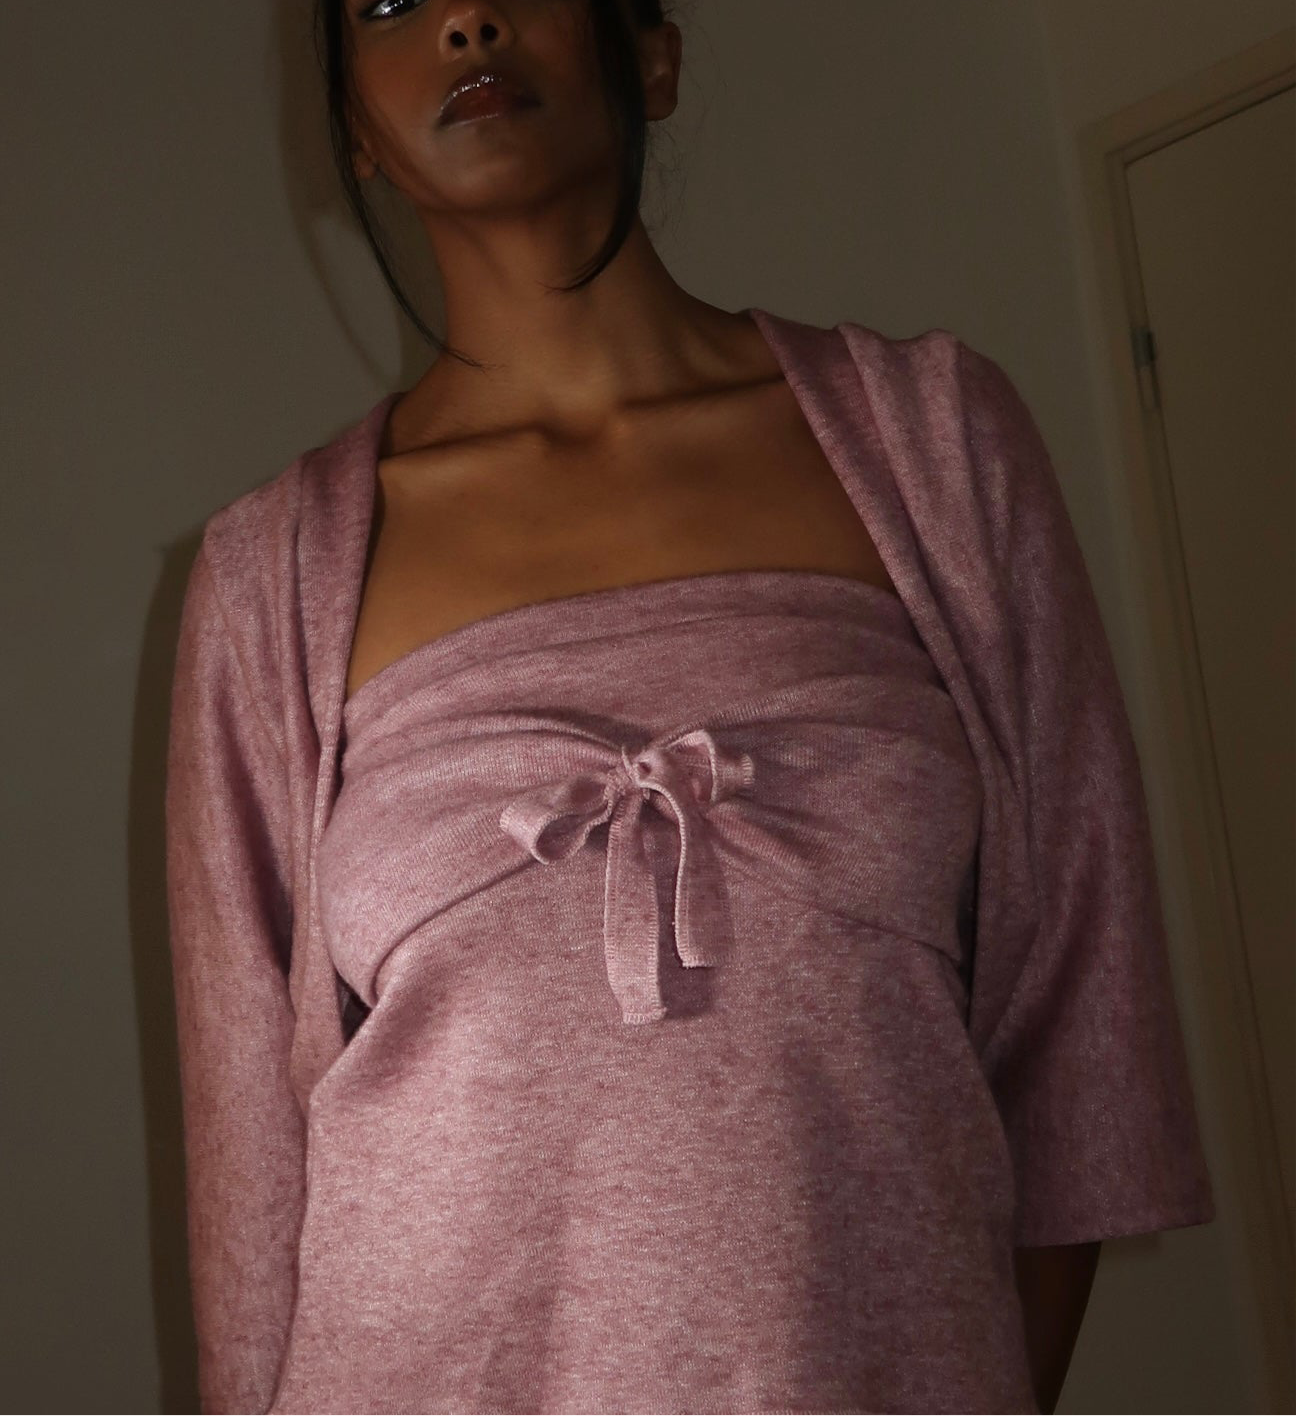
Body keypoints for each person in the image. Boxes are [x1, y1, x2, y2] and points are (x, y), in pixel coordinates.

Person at [164, 3, 1217, 1415]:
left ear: (652, 54)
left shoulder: (939, 443)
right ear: (354, 128)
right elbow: (249, 1182)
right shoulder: (269, 576)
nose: (467, 16)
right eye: (392, 1)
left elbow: (1085, 1034)